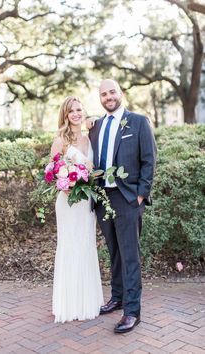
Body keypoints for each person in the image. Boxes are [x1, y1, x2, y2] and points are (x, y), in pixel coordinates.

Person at [88, 79, 157, 333]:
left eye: (112, 92)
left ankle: (132, 311)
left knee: (130, 256)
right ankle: (117, 298)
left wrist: (141, 195)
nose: (108, 97)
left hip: (127, 198)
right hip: (102, 197)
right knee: (114, 251)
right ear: (100, 98)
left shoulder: (138, 122)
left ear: (121, 93)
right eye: (103, 93)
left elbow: (149, 159)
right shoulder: (95, 126)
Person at [51, 96, 104, 323]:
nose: (76, 114)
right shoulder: (60, 140)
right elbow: (53, 172)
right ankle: (68, 303)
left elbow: (95, 169)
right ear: (65, 115)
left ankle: (88, 301)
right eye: (71, 110)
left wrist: (89, 175)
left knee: (85, 245)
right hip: (68, 202)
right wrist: (67, 183)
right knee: (69, 246)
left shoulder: (91, 136)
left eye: (79, 110)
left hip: (86, 204)